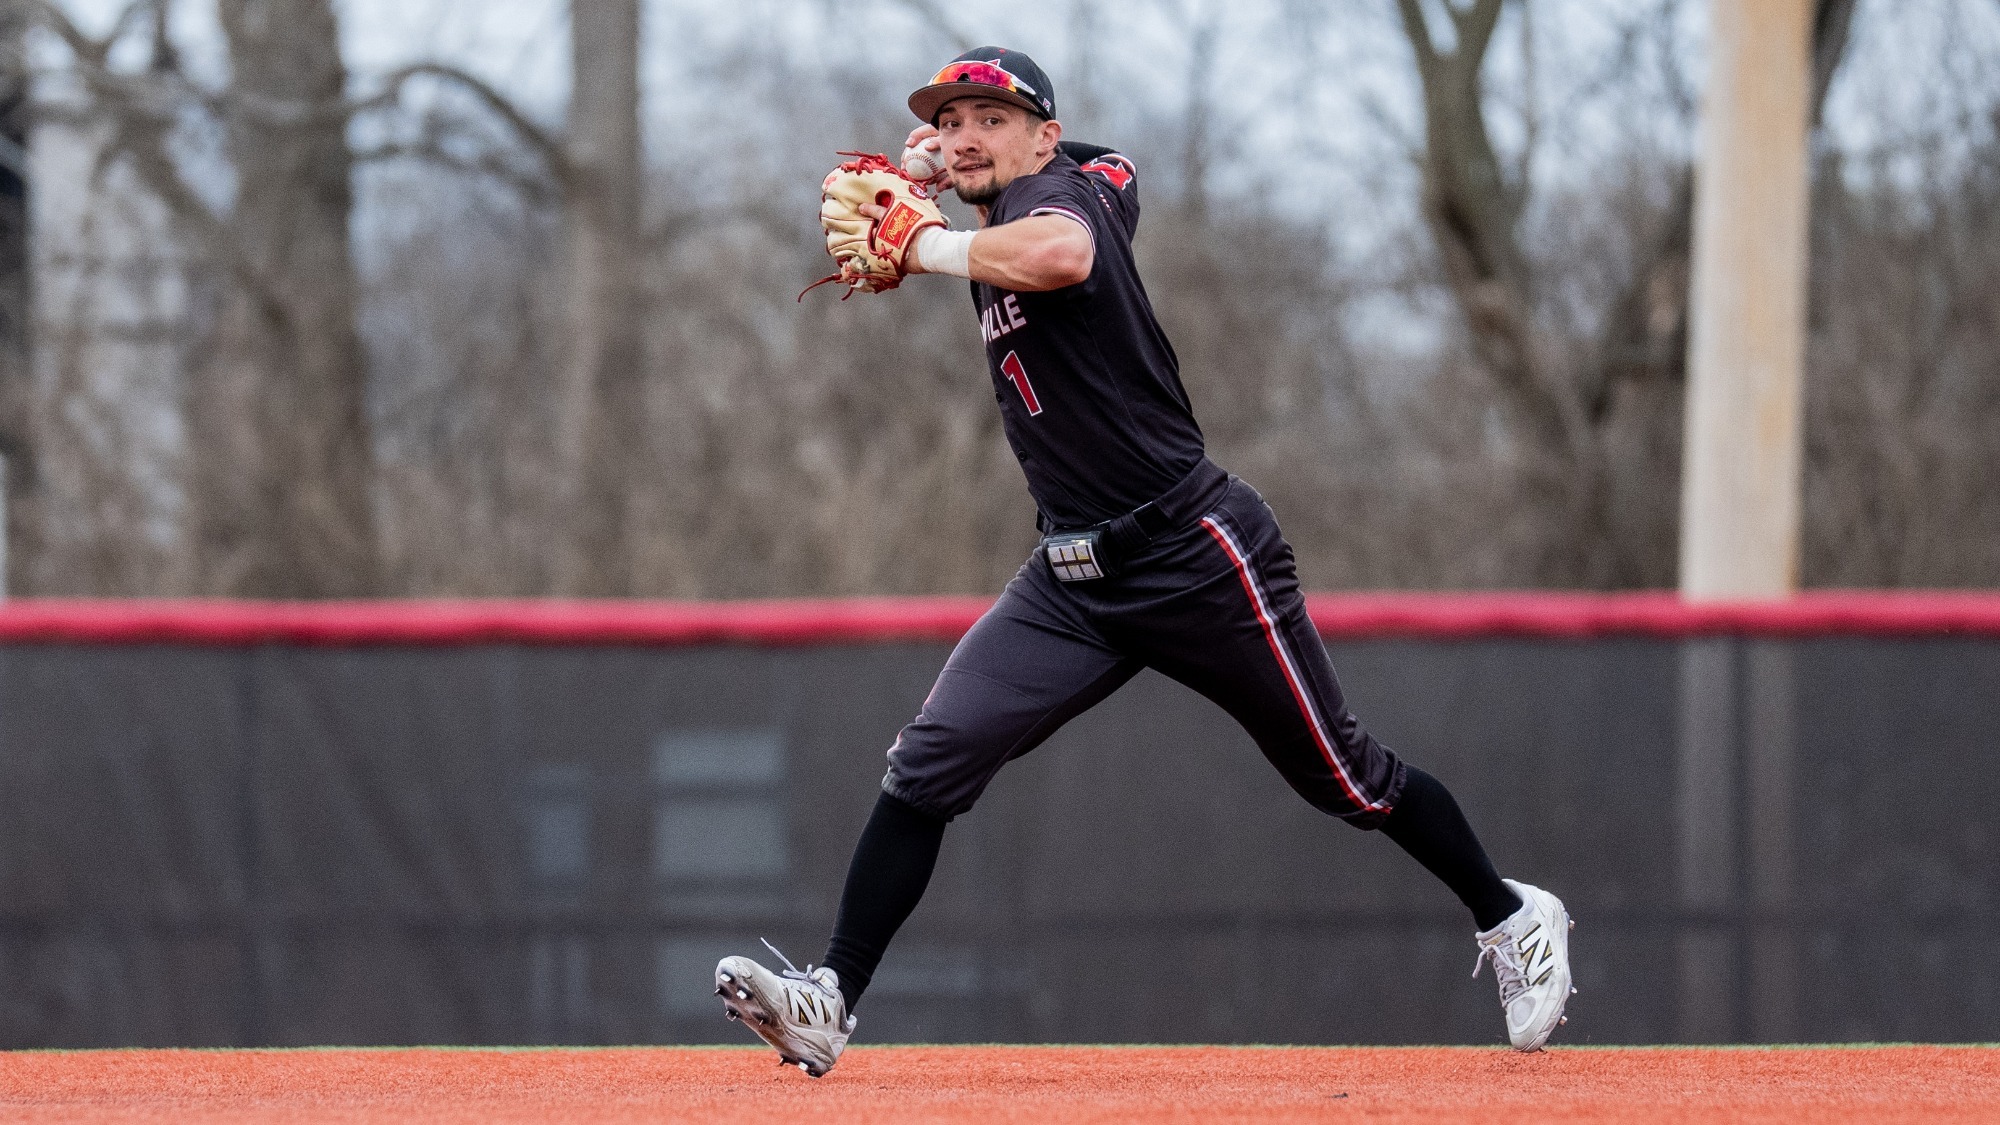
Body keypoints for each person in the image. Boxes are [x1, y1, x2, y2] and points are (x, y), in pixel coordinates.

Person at [716, 46, 1573, 1077]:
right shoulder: (1080, 183)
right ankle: (829, 998)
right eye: (949, 122)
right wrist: (950, 188)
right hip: (1069, 582)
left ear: (1040, 133)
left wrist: (930, 237)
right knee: (926, 766)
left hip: (1192, 550)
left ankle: (1511, 915)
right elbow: (1116, 165)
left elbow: (1059, 258)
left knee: (1347, 778)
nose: (961, 134)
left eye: (989, 116)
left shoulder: (1052, 207)